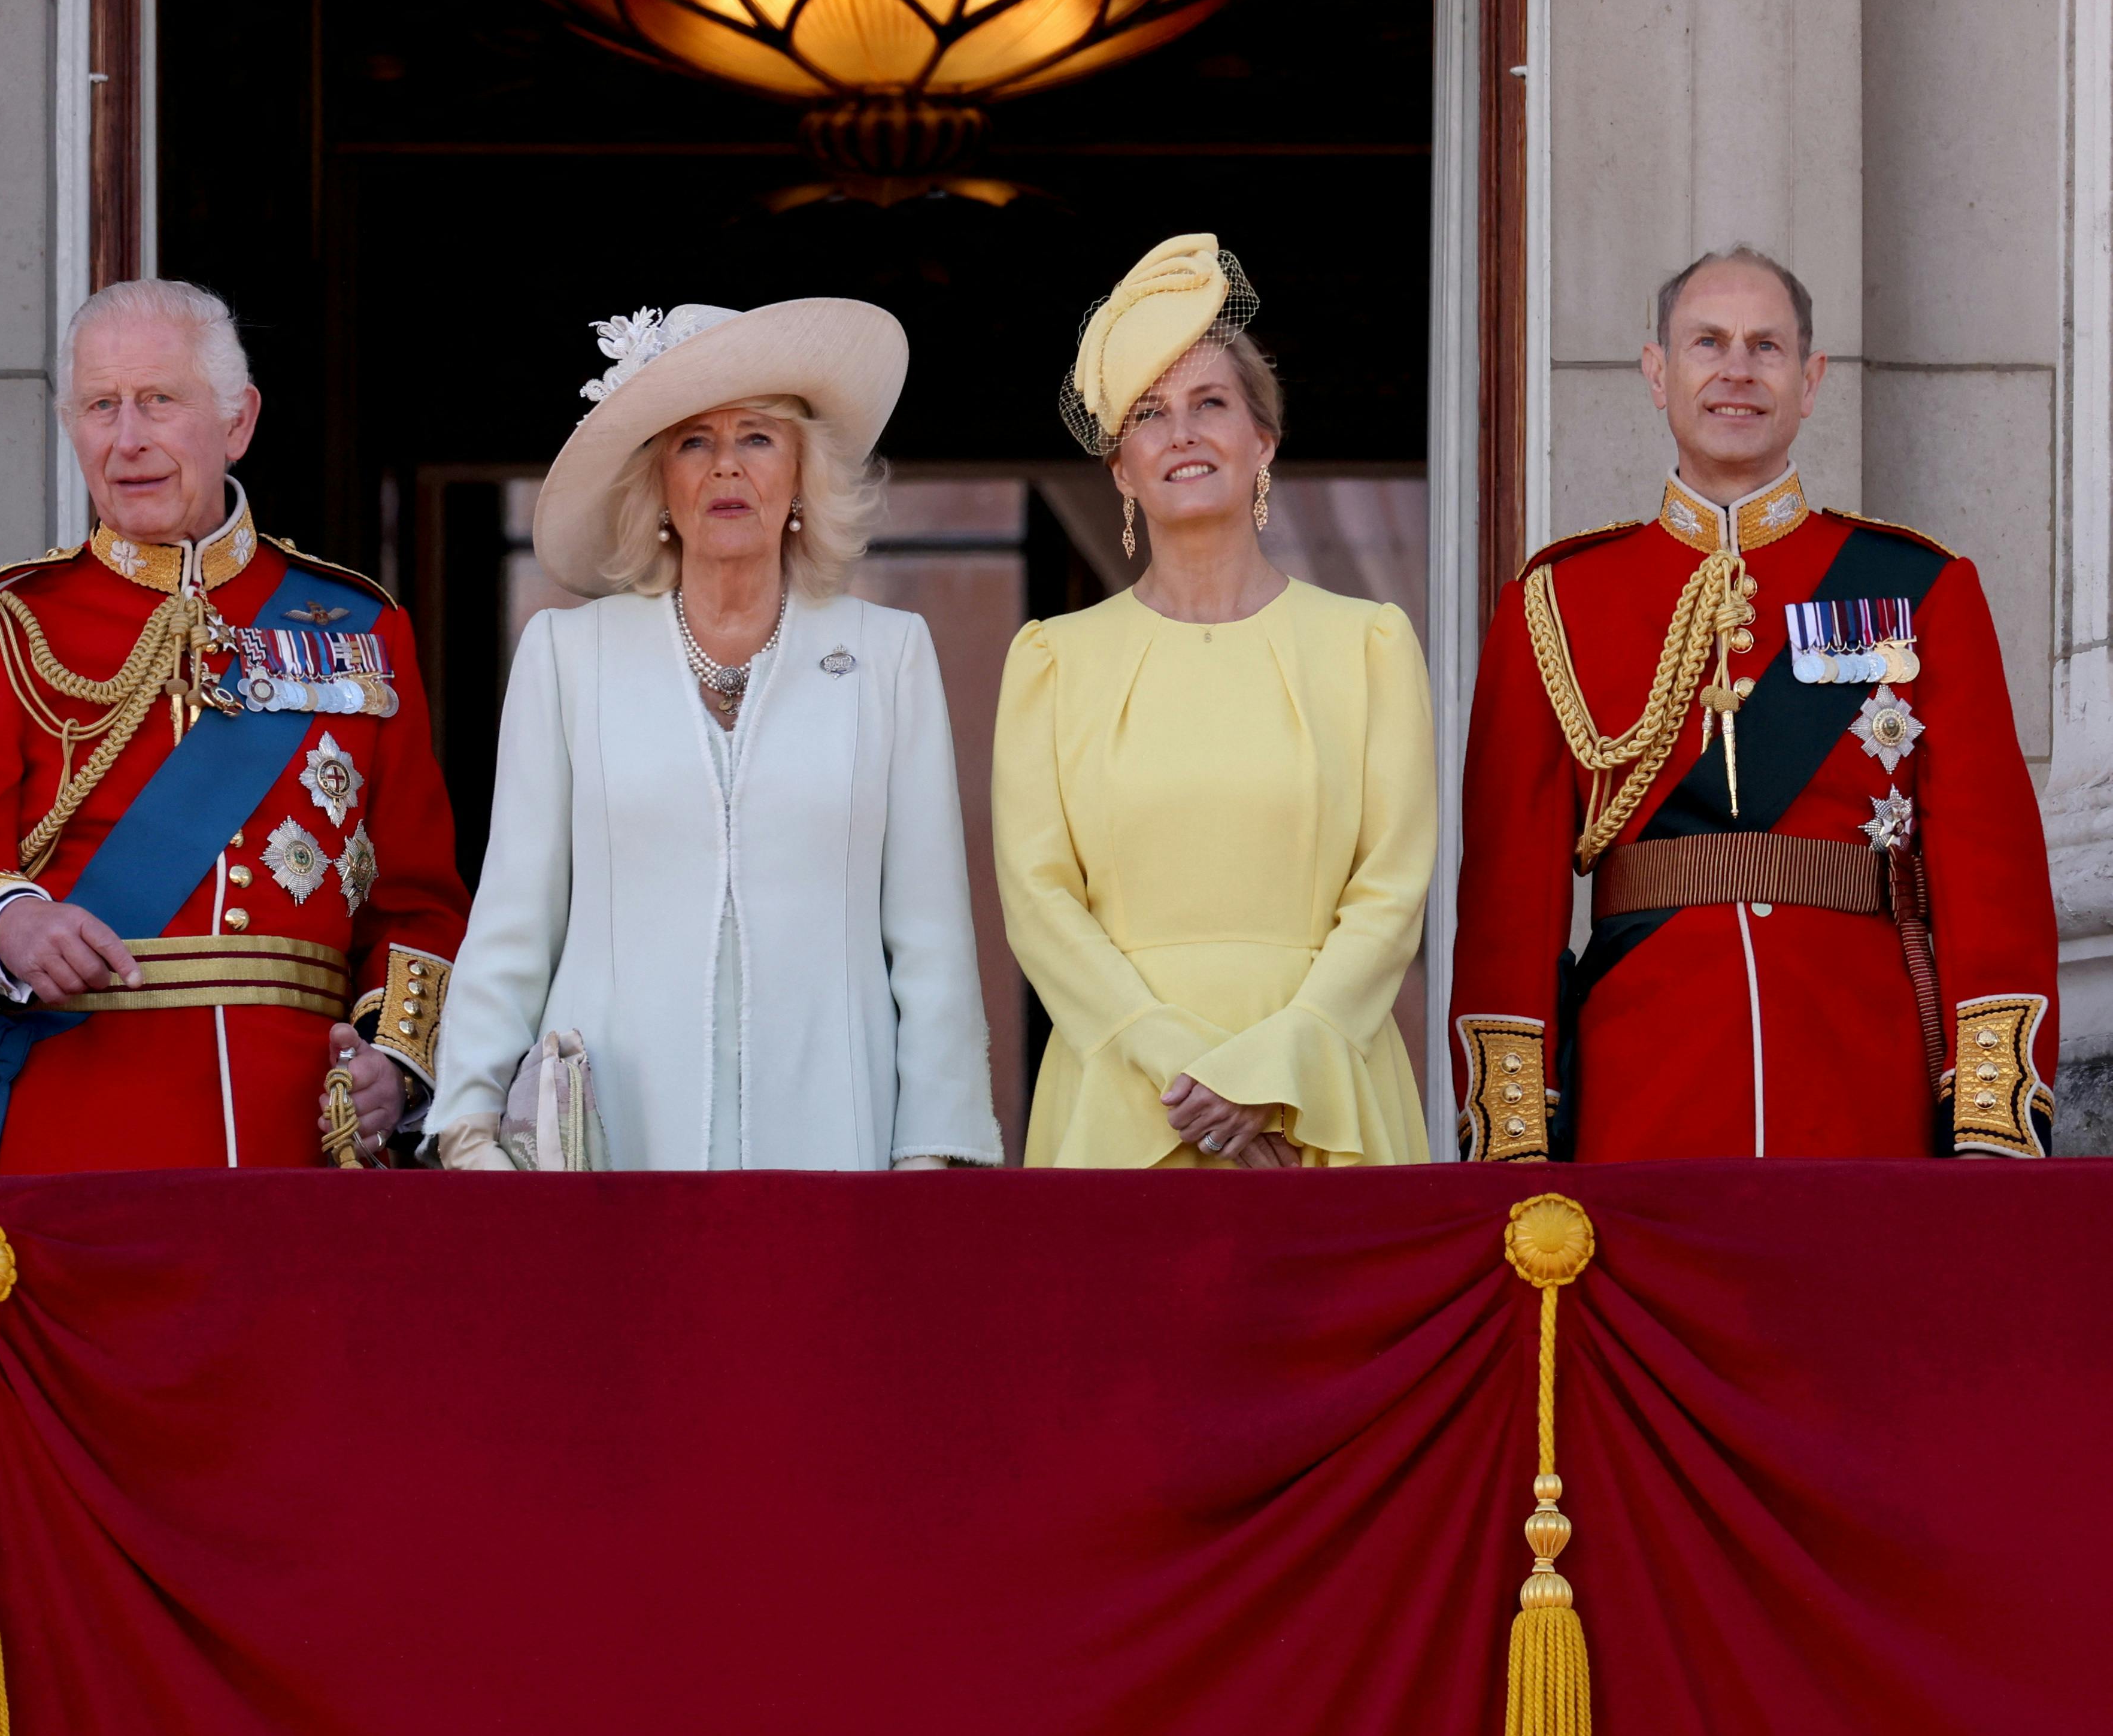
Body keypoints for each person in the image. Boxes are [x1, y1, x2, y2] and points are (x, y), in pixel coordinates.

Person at [1450, 246, 2057, 1159]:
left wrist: (1990, 1124)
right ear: (1658, 372)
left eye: (1766, 346)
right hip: (1644, 1087)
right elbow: (1509, 903)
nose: (1737, 369)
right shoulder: (1558, 602)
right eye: (1708, 343)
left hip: (1864, 1078)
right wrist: (1513, 1137)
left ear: (1810, 381)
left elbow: (1990, 873)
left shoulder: (1918, 587)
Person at [0, 277, 470, 1171]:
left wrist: (392, 1061)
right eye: (100, 406)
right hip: (74, 1128)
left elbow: (419, 903)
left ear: (238, 421)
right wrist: (9, 929)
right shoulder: (2, 625)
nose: (127, 440)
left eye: (158, 400)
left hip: (298, 1136)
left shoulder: (358, 628)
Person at [435, 302, 996, 1171]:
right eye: (694, 441)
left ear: (806, 473)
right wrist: (470, 1122)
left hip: (833, 1147)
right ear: (658, 482)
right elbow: (515, 915)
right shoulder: (568, 654)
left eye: (758, 438)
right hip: (611, 1152)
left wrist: (934, 1154)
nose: (726, 466)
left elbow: (931, 944)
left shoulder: (890, 655)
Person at [994, 234, 1434, 1168]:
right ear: (1120, 466)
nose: (1183, 432)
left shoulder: (1370, 646)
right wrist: (1194, 1080)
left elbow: (1393, 891)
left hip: (1322, 1095)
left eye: (1210, 403)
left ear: (1261, 440)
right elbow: (1039, 904)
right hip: (1122, 1100)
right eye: (1149, 413)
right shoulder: (1052, 662)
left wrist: (1277, 1069)